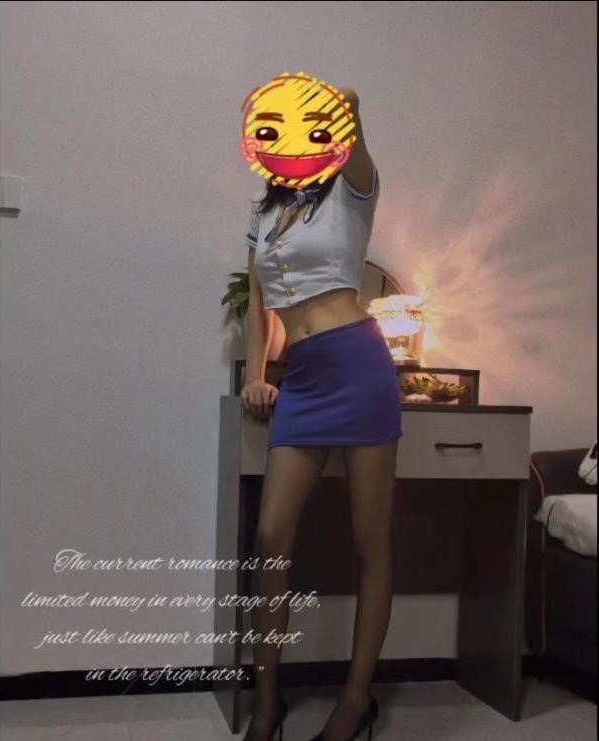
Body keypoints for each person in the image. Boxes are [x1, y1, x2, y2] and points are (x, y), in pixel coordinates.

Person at [239, 86, 403, 741]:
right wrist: (256, 375)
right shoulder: (263, 210)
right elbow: (258, 304)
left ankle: (355, 702)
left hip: (359, 368)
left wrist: (335, 108)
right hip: (303, 379)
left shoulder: (351, 188)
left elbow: (352, 124)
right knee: (270, 537)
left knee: (371, 543)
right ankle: (267, 702)